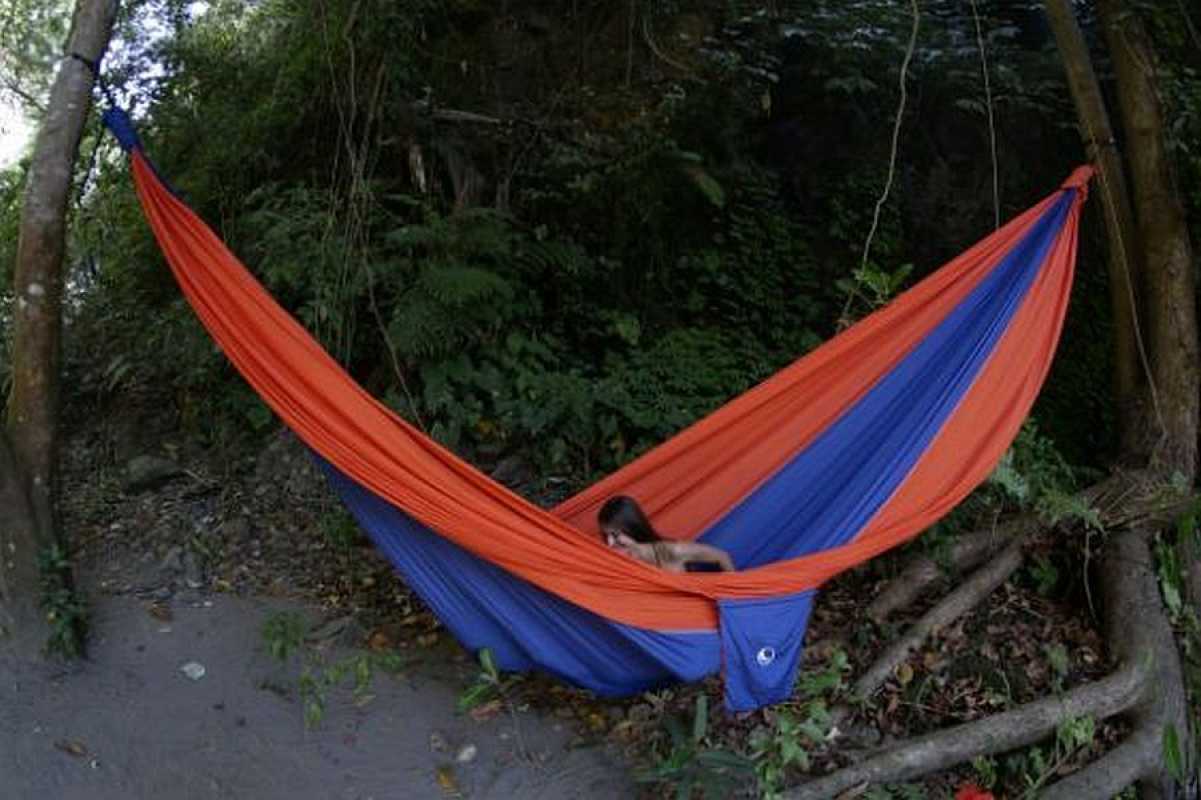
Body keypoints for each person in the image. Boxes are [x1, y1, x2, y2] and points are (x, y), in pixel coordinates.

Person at [598, 495, 735, 573]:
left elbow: (722, 557)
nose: (610, 543)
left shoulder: (673, 551)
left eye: (615, 535)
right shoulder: (622, 563)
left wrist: (732, 599)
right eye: (606, 536)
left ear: (633, 527)